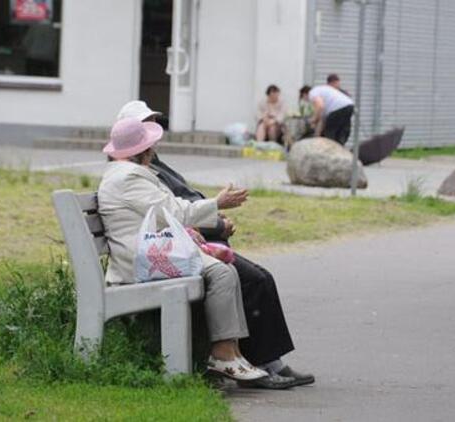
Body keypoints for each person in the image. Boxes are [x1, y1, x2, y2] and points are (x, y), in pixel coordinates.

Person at [116, 101, 315, 389]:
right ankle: (262, 363)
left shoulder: (150, 165)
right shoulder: (136, 173)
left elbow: (178, 206)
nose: (154, 131)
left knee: (252, 277)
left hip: (184, 241)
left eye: (154, 123)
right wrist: (218, 219)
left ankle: (261, 361)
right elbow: (173, 212)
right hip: (177, 246)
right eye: (146, 125)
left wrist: (216, 218)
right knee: (253, 279)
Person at [97, 118, 270, 382]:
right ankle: (223, 354)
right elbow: (174, 211)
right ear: (143, 151)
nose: (153, 151)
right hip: (143, 262)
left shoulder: (125, 175)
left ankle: (232, 353)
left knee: (225, 271)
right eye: (150, 147)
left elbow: (165, 210)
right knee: (223, 274)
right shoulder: (128, 178)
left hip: (151, 253)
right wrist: (217, 203)